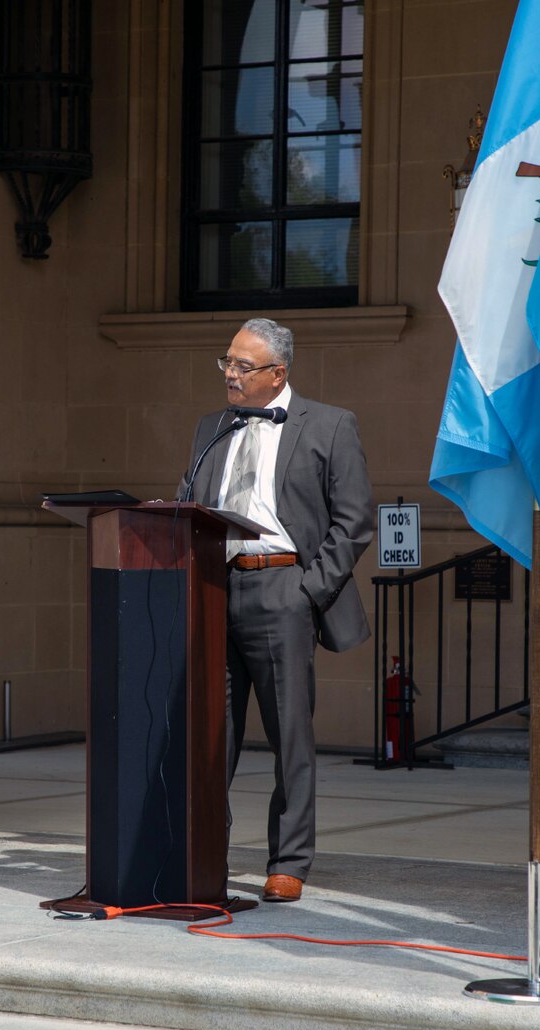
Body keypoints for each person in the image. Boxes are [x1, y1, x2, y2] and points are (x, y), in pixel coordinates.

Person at [179, 317, 375, 903]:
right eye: (228, 364)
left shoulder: (331, 425)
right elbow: (191, 503)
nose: (231, 376)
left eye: (243, 366)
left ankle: (289, 861)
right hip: (217, 589)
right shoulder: (211, 428)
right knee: (212, 734)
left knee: (290, 734)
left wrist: (309, 591)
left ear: (277, 374)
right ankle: (202, 853)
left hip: (284, 589)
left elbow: (355, 518)